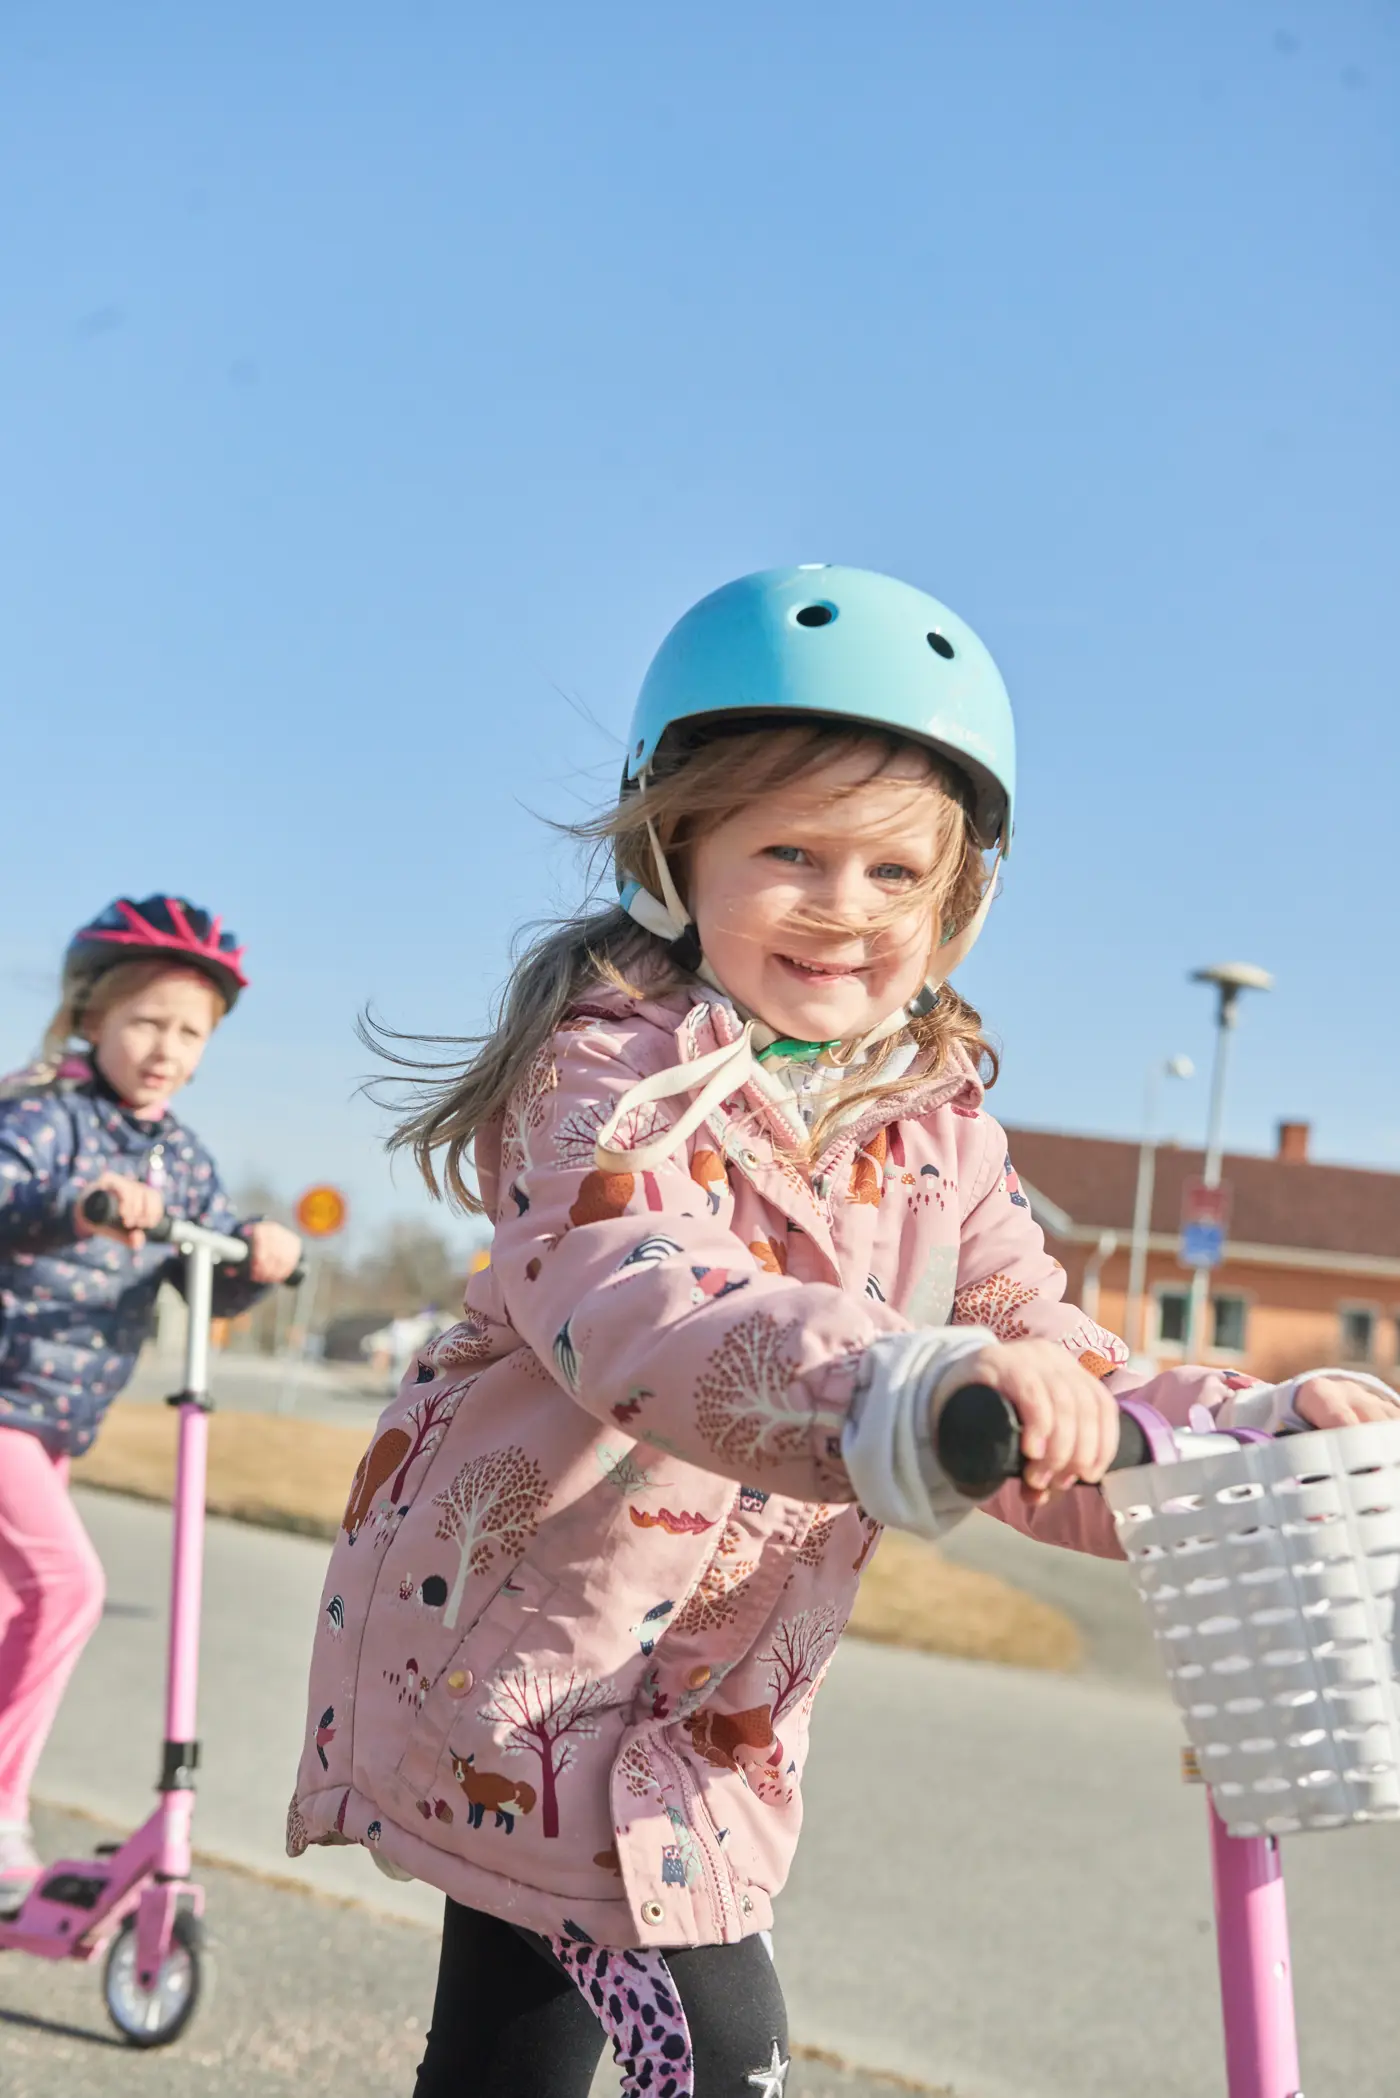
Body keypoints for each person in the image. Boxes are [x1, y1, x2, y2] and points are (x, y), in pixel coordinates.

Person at [288, 567, 1398, 2097]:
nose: (843, 906)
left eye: (894, 874)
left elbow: (1043, 1351)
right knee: (721, 2046)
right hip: (531, 1668)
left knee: (507, 2046)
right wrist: (895, 1379)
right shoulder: (606, 1075)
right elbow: (644, 1296)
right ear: (675, 855)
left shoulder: (940, 1134)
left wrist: (1242, 1427)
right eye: (791, 851)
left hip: (711, 1703)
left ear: (958, 905)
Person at [0, 896, 302, 1909]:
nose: (166, 1049)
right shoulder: (40, 1114)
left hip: (52, 1425)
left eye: (190, 1032)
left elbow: (202, 1261)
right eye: (146, 1022)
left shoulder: (179, 1155)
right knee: (68, 1589)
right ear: (89, 1014)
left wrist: (257, 1252)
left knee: (15, 1609)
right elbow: (9, 1192)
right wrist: (78, 1205)